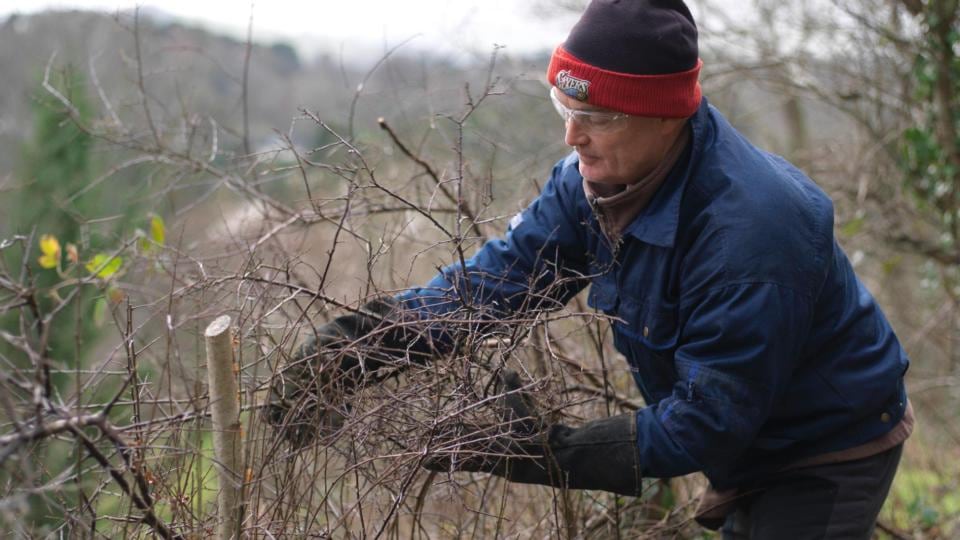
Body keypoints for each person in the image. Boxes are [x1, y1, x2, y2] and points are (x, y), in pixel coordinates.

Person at [267, 0, 913, 537]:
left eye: (597, 118)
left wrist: (551, 453)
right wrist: (355, 350)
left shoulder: (751, 238)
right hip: (740, 428)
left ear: (667, 116)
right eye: (564, 109)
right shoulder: (589, 185)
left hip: (826, 443)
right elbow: (488, 288)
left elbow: (705, 426)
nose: (571, 137)